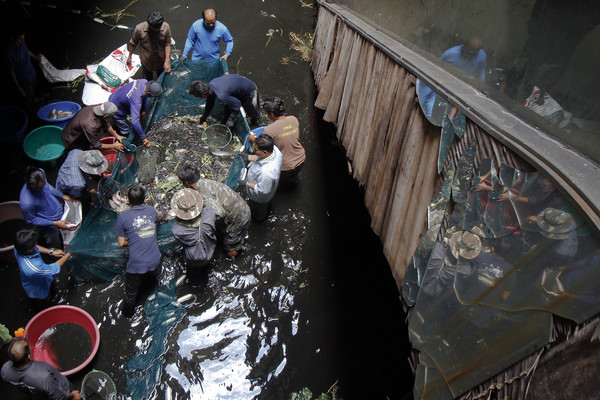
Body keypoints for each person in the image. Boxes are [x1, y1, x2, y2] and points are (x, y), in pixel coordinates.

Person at [176, 164, 251, 257]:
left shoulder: (204, 195)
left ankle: (233, 258)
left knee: (230, 245)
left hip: (239, 220)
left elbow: (220, 213)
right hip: (240, 206)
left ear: (186, 183)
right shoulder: (204, 182)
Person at [115, 186, 162, 318]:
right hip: (155, 260)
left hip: (137, 265)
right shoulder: (152, 211)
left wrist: (134, 238)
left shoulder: (123, 217)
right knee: (151, 280)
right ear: (145, 200)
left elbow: (121, 243)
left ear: (128, 201)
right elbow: (158, 216)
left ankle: (127, 317)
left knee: (131, 295)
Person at [418, 36, 487, 118]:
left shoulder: (482, 56)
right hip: (446, 84)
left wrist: (480, 89)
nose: (471, 52)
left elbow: (481, 74)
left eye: (474, 50)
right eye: (470, 48)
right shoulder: (451, 54)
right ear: (465, 45)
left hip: (466, 90)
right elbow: (436, 71)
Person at [248, 97, 306, 184]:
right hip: (301, 158)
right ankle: (292, 181)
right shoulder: (294, 119)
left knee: (279, 181)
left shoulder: (269, 130)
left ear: (271, 114)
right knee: (292, 178)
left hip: (285, 166)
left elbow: (263, 145)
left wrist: (253, 139)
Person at [1, 338, 82, 399]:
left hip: (37, 394)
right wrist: (72, 396)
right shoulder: (44, 377)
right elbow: (59, 397)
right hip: (62, 389)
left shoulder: (5, 370)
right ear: (29, 356)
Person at [13, 228, 71, 308]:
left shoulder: (18, 248)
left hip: (34, 278)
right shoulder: (34, 267)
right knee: (44, 301)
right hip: (37, 288)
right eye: (35, 243)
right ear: (30, 249)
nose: (36, 244)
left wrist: (51, 252)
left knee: (50, 286)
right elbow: (54, 268)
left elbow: (35, 247)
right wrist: (69, 254)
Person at [19, 166, 74, 249]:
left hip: (57, 211)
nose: (43, 186)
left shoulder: (40, 173)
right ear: (34, 188)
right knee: (54, 241)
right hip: (49, 224)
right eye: (41, 187)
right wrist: (55, 223)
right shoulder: (27, 203)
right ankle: (55, 253)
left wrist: (62, 196)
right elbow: (32, 219)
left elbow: (47, 187)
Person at [189, 74, 260, 128]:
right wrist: (204, 116)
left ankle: (256, 123)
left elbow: (237, 104)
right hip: (237, 86)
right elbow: (210, 102)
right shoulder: (211, 85)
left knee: (253, 114)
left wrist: (231, 119)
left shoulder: (221, 95)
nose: (199, 98)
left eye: (198, 96)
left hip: (250, 89)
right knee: (228, 107)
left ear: (203, 94)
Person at [170, 188, 217, 270]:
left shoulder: (177, 230)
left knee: (194, 272)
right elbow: (205, 209)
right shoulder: (210, 213)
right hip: (210, 249)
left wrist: (177, 217)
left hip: (194, 258)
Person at [239, 135, 283, 221]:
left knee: (259, 212)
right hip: (267, 184)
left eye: (256, 150)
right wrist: (248, 157)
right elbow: (261, 156)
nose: (254, 151)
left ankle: (259, 219)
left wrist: (246, 183)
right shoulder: (275, 150)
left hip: (260, 198)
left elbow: (262, 191)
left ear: (265, 152)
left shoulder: (266, 173)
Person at [108, 79, 163, 147]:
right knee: (125, 128)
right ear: (149, 93)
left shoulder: (144, 82)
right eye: (153, 96)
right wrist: (143, 138)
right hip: (115, 106)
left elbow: (145, 96)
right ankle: (124, 138)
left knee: (134, 112)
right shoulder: (136, 100)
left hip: (118, 95)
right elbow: (134, 121)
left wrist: (145, 110)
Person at [126, 11, 172, 81]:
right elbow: (133, 43)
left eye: (158, 28)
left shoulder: (166, 27)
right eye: (154, 29)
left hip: (161, 60)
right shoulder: (139, 29)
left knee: (162, 79)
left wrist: (167, 61)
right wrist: (129, 56)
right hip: (146, 61)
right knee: (146, 80)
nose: (156, 30)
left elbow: (167, 43)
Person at [6, 28, 41, 116]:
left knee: (34, 91)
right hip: (24, 78)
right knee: (27, 98)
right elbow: (11, 71)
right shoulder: (10, 52)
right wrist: (18, 87)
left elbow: (26, 50)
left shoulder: (22, 42)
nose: (22, 40)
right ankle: (31, 116)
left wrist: (35, 57)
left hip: (31, 72)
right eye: (20, 38)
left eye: (23, 37)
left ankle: (36, 104)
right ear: (14, 39)